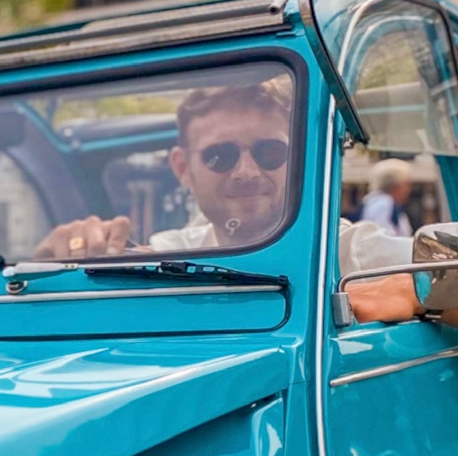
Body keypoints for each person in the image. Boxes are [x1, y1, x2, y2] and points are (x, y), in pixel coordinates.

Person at [33, 77, 426, 324]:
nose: (246, 171)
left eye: (269, 152)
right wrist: (66, 258)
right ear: (183, 168)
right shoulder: (164, 255)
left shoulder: (348, 249)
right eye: (220, 155)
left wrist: (417, 292)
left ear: (299, 159)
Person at [361, 159, 415, 238]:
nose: (409, 190)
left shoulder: (393, 207)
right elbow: (384, 237)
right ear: (396, 186)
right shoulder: (382, 204)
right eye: (406, 185)